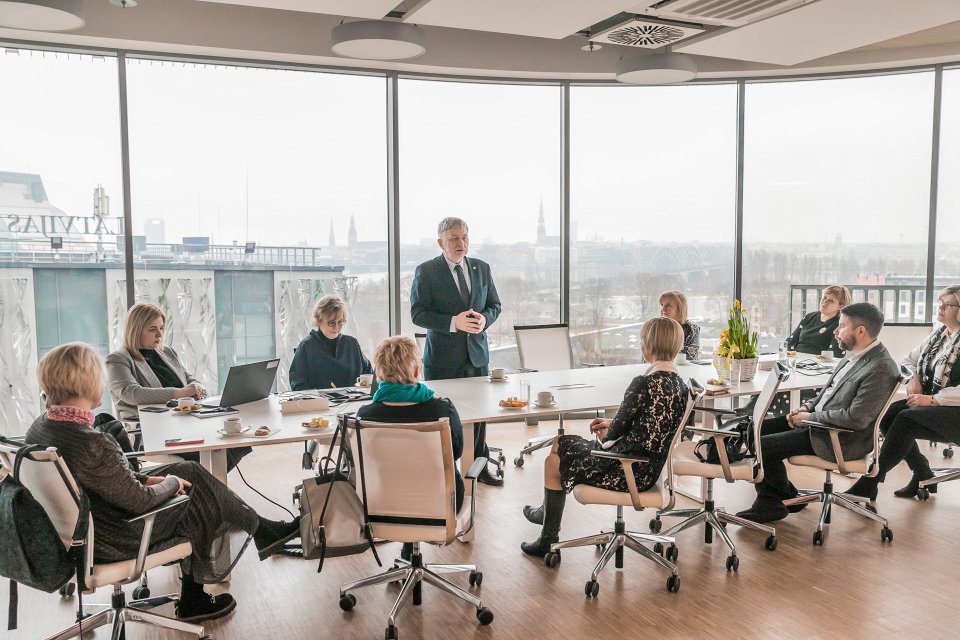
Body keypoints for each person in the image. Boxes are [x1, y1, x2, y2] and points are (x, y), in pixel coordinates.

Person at [25, 343, 300, 623]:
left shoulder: (41, 428)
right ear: (84, 383)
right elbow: (140, 500)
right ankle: (206, 587)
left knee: (190, 471)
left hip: (83, 531)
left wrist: (152, 478)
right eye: (98, 377)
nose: (103, 383)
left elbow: (98, 479)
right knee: (197, 496)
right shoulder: (93, 443)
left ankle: (259, 532)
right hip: (115, 537)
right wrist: (169, 483)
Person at [520, 317, 689, 557]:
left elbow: (615, 433)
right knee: (561, 442)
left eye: (643, 341)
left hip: (626, 470)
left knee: (554, 459)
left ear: (648, 346)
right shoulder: (678, 384)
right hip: (649, 468)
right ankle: (545, 515)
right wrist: (614, 425)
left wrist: (608, 429)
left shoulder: (643, 383)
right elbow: (651, 424)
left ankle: (547, 536)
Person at [735, 302, 900, 523]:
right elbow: (827, 395)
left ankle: (775, 500)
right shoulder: (854, 354)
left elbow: (856, 418)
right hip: (818, 423)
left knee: (762, 445)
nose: (835, 330)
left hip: (838, 436)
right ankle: (779, 498)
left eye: (841, 326)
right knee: (754, 429)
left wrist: (810, 418)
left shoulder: (880, 367)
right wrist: (807, 407)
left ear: (860, 331)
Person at [844, 285, 960, 500]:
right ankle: (922, 472)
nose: (940, 307)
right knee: (887, 414)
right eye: (940, 302)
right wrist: (914, 376)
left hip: (954, 410)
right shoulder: (939, 337)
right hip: (935, 406)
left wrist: (933, 399)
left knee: (905, 419)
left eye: (947, 304)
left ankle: (871, 482)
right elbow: (907, 360)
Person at [411, 216, 503, 486]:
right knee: (445, 416)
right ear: (441, 242)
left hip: (476, 355)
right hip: (442, 358)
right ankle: (446, 471)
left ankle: (480, 466)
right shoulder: (426, 271)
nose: (461, 243)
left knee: (480, 415)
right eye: (454, 238)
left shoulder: (481, 268)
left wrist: (486, 319)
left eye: (464, 237)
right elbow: (418, 313)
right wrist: (453, 323)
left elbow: (495, 305)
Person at [106, 302, 250, 471]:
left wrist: (196, 386)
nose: (159, 334)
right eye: (152, 329)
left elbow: (188, 378)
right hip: (155, 429)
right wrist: (179, 393)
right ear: (136, 329)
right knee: (215, 449)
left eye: (161, 328)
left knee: (238, 442)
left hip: (187, 421)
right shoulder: (118, 359)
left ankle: (207, 486)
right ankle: (208, 486)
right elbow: (132, 393)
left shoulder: (167, 352)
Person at [356, 336, 466, 513]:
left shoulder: (365, 416)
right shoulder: (442, 409)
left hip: (383, 505)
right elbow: (457, 451)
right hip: (441, 506)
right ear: (416, 372)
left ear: (379, 374)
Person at [289, 295, 373, 391]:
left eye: (340, 322)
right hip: (320, 404)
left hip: (353, 402)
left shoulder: (351, 344)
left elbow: (369, 374)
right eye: (331, 323)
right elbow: (298, 384)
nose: (337, 327)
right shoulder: (306, 346)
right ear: (319, 320)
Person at [785, 285, 851, 357]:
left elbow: (834, 353)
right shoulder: (809, 316)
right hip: (796, 359)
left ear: (840, 306)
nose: (824, 302)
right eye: (824, 297)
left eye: (831, 301)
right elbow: (791, 341)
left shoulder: (839, 325)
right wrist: (792, 357)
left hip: (819, 365)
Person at [659, 291, 699, 360]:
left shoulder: (691, 328)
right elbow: (648, 356)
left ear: (680, 309)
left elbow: (691, 356)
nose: (663, 309)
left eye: (668, 306)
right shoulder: (655, 327)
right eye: (662, 305)